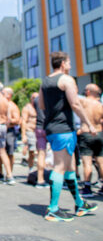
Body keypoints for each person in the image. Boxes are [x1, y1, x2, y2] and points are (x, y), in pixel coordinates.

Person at [39, 51, 98, 221]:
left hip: (52, 128)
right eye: (69, 62)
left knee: (70, 167)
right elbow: (75, 104)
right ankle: (53, 209)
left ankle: (79, 204)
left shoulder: (45, 81)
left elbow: (42, 104)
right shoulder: (66, 79)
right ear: (63, 63)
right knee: (59, 166)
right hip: (63, 129)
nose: (70, 66)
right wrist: (88, 123)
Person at [79, 83, 103, 198]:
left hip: (86, 133)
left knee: (87, 162)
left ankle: (87, 187)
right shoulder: (100, 105)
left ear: (88, 92)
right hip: (99, 133)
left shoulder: (83, 102)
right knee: (101, 161)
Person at [1, 87, 20, 175]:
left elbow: (17, 120)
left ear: (9, 95)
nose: (1, 95)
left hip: (9, 131)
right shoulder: (0, 104)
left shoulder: (13, 106)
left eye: (3, 93)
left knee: (10, 152)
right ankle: (1, 172)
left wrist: (8, 120)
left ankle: (9, 173)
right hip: (1, 130)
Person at [33, 93, 49, 188]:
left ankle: (40, 179)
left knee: (41, 153)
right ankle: (58, 179)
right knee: (58, 154)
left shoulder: (36, 99)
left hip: (39, 127)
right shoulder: (51, 96)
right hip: (50, 127)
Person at [21, 93, 38, 174]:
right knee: (32, 151)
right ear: (31, 98)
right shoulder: (27, 108)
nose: (35, 99)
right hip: (30, 131)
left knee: (40, 152)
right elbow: (23, 121)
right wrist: (23, 135)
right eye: (33, 97)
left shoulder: (41, 107)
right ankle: (30, 168)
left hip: (39, 132)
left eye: (37, 97)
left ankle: (40, 170)